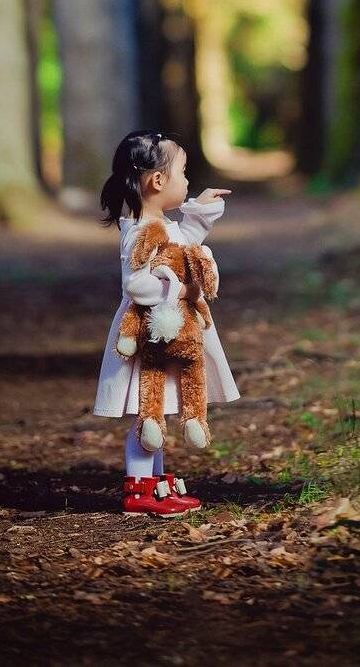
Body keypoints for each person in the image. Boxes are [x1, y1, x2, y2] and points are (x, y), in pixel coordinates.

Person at [92, 130, 240, 517]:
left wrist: (200, 210)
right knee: (149, 413)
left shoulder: (161, 222)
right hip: (148, 334)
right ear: (158, 181)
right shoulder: (138, 231)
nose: (188, 181)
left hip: (170, 331)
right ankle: (139, 489)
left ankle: (156, 487)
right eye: (184, 173)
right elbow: (137, 283)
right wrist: (179, 288)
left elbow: (184, 244)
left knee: (158, 411)